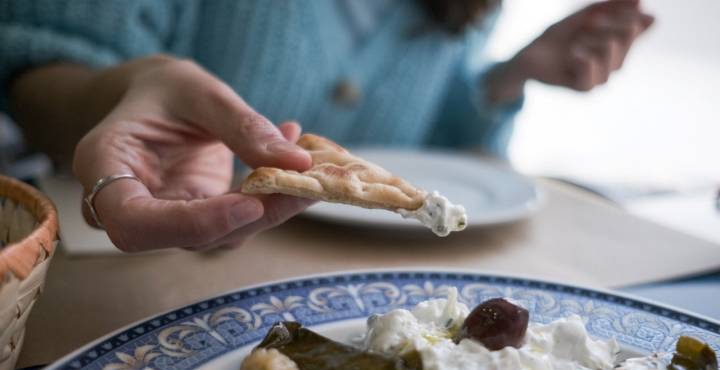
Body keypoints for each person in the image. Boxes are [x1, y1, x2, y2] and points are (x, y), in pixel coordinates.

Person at [0, 0, 652, 252]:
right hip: (140, 276)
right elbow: (37, 56)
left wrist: (508, 78)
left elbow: (435, 147)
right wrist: (118, 94)